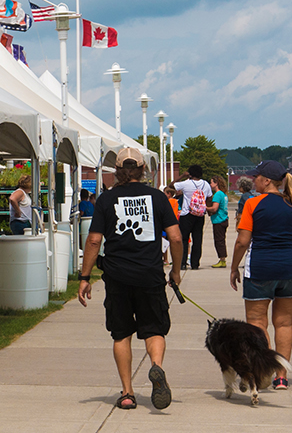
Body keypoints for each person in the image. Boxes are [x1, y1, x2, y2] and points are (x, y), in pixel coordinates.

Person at [78, 147, 182, 411]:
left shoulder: (105, 200)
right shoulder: (158, 198)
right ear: (142, 169)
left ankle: (127, 393)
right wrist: (176, 271)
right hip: (150, 274)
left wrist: (85, 276)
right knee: (154, 329)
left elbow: (93, 240)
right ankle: (156, 368)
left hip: (117, 276)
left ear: (117, 171)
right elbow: (177, 237)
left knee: (121, 333)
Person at [229, 160, 292, 391]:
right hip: (290, 269)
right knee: (284, 323)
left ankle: (264, 371)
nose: (253, 180)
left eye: (256, 177)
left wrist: (233, 267)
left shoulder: (252, 204)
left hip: (260, 269)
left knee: (257, 324)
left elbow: (242, 241)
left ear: (266, 181)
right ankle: (281, 377)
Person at [173, 165, 214, 270]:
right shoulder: (206, 184)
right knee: (198, 239)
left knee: (184, 239)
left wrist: (182, 175)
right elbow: (209, 197)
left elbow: (171, 186)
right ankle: (195, 263)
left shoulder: (186, 183)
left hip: (187, 214)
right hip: (200, 215)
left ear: (190, 174)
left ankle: (182, 263)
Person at [208, 177, 231, 268]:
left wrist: (205, 207)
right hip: (224, 218)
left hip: (219, 220)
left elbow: (214, 208)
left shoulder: (217, 195)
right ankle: (222, 258)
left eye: (211, 182)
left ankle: (222, 259)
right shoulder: (223, 194)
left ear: (216, 183)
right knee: (222, 240)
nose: (210, 184)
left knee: (219, 241)